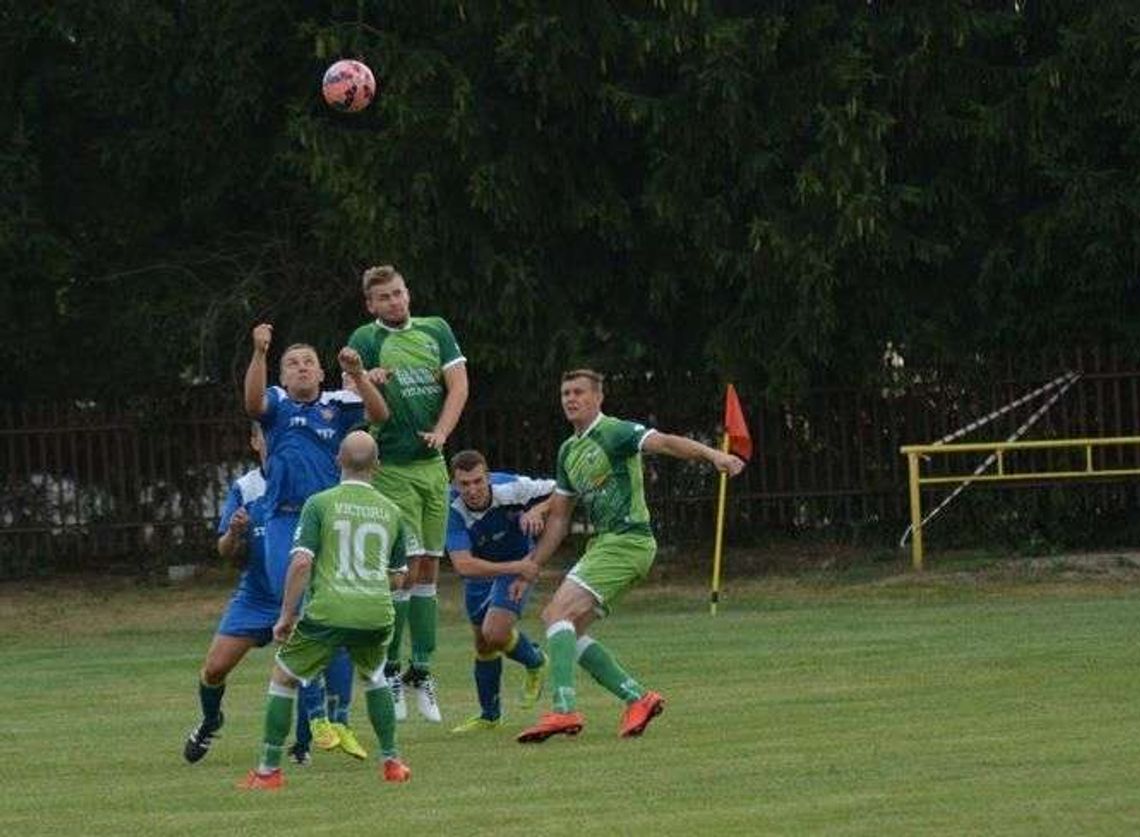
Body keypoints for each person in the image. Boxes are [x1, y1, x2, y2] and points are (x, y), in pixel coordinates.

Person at [512, 369, 746, 743]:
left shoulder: (615, 432)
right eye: (565, 393)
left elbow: (666, 443)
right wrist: (532, 567)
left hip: (627, 541)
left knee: (556, 614)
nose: (570, 399)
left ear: (597, 398)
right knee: (570, 629)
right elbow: (560, 515)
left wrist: (712, 454)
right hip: (610, 544)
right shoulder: (568, 450)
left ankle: (563, 710)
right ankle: (637, 698)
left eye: (579, 393)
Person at [244, 323, 389, 758]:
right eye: (292, 364)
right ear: (283, 377)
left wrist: (360, 374)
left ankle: (339, 719)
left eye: (308, 362)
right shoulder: (276, 405)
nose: (302, 368)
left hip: (330, 519)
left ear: (321, 373)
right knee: (303, 616)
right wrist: (259, 352)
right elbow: (251, 402)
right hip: (286, 521)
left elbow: (380, 416)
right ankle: (318, 717)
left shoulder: (338, 405)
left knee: (340, 622)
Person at [237, 431, 412, 790]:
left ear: (337, 461)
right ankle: (392, 762)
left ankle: (268, 771)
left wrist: (286, 616)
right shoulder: (393, 511)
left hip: (329, 612)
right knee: (374, 676)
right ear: (377, 465)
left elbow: (301, 563)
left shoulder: (319, 503)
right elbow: (398, 579)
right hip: (376, 614)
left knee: (283, 677)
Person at [347, 265, 468, 723]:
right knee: (402, 569)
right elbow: (350, 401)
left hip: (431, 467)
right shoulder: (364, 338)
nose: (395, 302)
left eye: (399, 293)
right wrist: (365, 379)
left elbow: (458, 386)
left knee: (430, 567)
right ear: (371, 305)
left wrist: (441, 431)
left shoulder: (436, 330)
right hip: (391, 466)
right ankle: (391, 669)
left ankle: (423, 669)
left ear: (408, 293)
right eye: (385, 298)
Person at [444, 449, 554, 733]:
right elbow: (464, 565)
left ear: (488, 477)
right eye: (464, 484)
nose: (472, 489)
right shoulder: (451, 508)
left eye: (478, 481)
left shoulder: (513, 488)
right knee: (482, 643)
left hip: (516, 565)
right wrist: (516, 566)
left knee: (495, 633)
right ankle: (489, 716)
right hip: (485, 570)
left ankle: (536, 661)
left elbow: (564, 492)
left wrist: (538, 509)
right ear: (455, 484)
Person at [183, 423, 273, 763]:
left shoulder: (307, 480)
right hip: (256, 596)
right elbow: (224, 550)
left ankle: (303, 743)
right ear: (254, 441)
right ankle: (210, 720)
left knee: (305, 674)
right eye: (265, 435)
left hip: (298, 594)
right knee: (215, 669)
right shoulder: (245, 488)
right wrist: (235, 533)